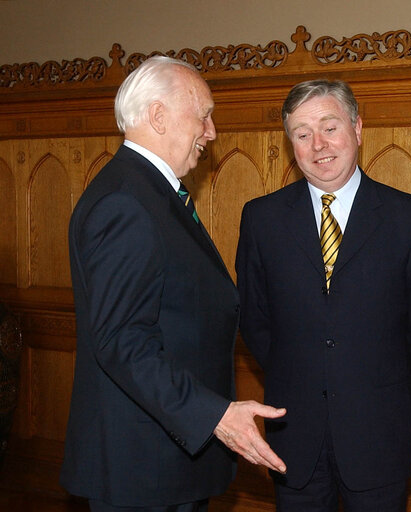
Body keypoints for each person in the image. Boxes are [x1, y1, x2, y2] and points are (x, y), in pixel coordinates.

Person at [60, 56, 286, 512]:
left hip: (167, 460)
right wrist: (216, 416)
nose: (212, 131)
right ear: (158, 116)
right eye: (203, 114)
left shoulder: (149, 191)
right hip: (142, 469)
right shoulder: (126, 202)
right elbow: (122, 342)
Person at [236, 79, 411, 511]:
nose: (318, 145)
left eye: (329, 127)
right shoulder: (262, 219)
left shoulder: (407, 218)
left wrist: (384, 392)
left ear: (357, 128)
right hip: (293, 434)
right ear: (290, 142)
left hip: (378, 435)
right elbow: (254, 319)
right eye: (302, 133)